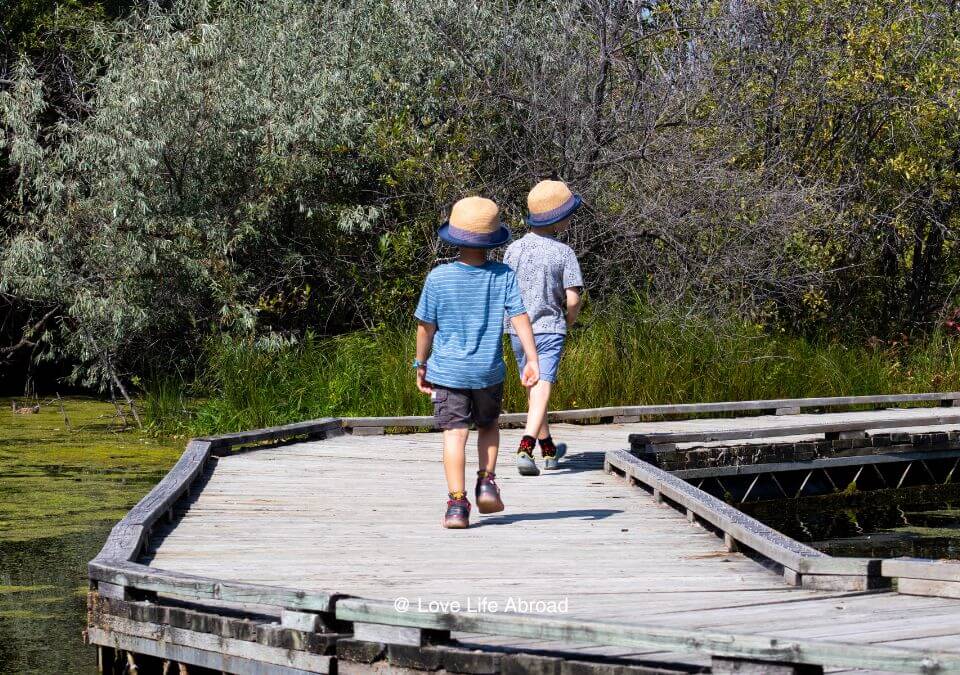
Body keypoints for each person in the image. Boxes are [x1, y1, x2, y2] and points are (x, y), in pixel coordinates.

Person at [414, 196, 541, 529]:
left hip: (448, 371)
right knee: (488, 426)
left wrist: (419, 363)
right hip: (488, 371)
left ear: (455, 237)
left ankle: (457, 506)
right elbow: (519, 317)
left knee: (454, 435)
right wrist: (532, 358)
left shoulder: (438, 278)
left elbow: (425, 327)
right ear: (493, 239)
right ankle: (486, 482)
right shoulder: (503, 275)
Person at [504, 180, 584, 475]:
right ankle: (526, 447)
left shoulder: (512, 250)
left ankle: (548, 448)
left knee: (533, 387)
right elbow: (573, 299)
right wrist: (569, 320)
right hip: (549, 327)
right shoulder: (564, 253)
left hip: (516, 330)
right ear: (557, 219)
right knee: (543, 386)